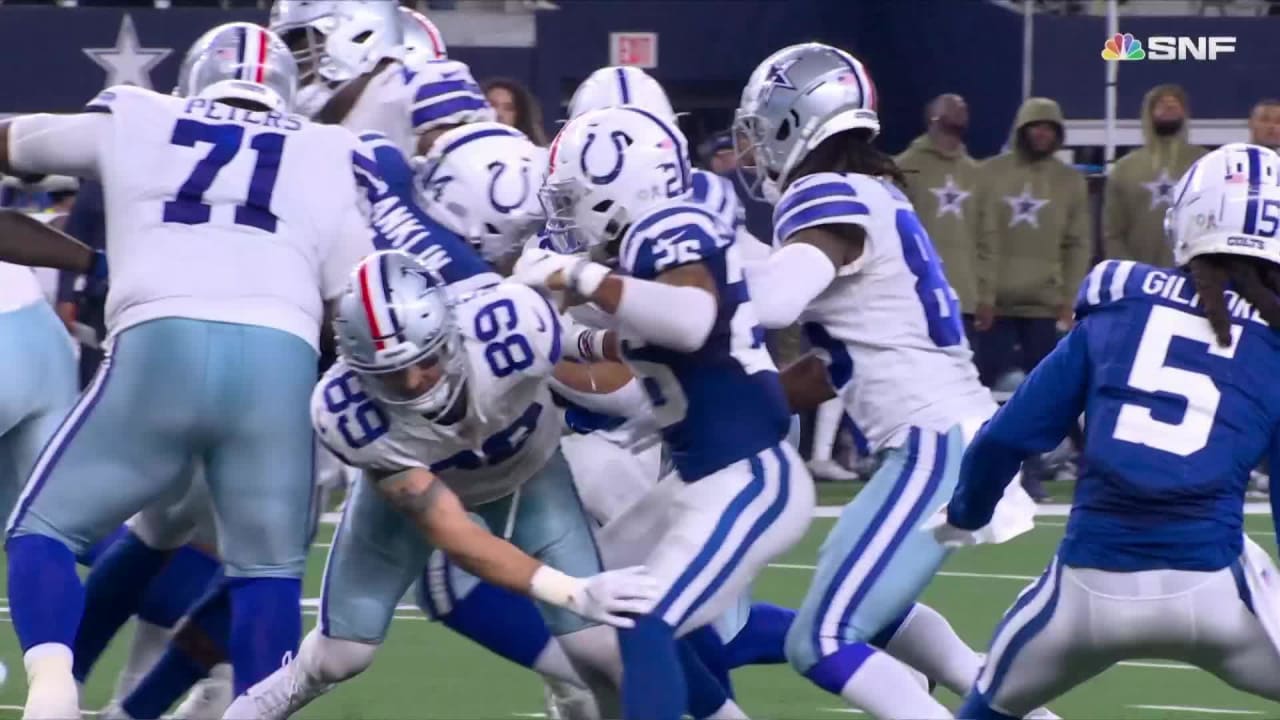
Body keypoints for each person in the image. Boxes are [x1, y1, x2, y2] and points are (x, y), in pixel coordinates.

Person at [0, 22, 377, 718]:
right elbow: (353, 303)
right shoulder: (330, 151)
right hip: (279, 359)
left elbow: (13, 141)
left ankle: (53, 692)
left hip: (158, 341)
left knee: (42, 530)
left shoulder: (140, 113)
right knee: (267, 574)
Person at [733, 42, 1044, 719]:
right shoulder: (870, 190)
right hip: (948, 430)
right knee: (874, 614)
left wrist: (689, 273)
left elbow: (776, 301)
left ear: (793, 121)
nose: (753, 148)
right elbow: (838, 363)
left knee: (820, 639)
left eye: (760, 128)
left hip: (932, 438)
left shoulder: (823, 192)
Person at [227, 250, 657, 719]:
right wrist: (571, 591)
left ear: (449, 334)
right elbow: (455, 535)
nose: (412, 382)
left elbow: (572, 342)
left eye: (424, 360)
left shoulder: (514, 324)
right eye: (390, 374)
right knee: (342, 655)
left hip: (531, 476)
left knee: (600, 650)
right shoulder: (349, 415)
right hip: (423, 496)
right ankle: (266, 699)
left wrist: (613, 345)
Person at [938, 142, 1280, 718]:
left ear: (1186, 219)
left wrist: (967, 513)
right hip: (1216, 592)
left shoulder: (1120, 306)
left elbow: (1007, 436)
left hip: (1088, 592)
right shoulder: (1272, 346)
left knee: (985, 709)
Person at [514, 105, 816, 720]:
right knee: (602, 592)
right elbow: (620, 342)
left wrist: (578, 272)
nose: (566, 211)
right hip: (700, 475)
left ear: (615, 183)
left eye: (573, 194)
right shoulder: (639, 250)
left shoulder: (670, 222)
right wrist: (538, 333)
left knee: (645, 616)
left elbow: (689, 319)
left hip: (748, 474)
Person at [972, 97, 1089, 390]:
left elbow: (1077, 244)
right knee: (980, 387)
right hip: (994, 306)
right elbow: (976, 236)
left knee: (1049, 388)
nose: (1042, 133)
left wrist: (1069, 299)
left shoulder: (1071, 181)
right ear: (1021, 129)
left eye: (1049, 128)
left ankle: (1064, 438)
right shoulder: (988, 173)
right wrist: (980, 295)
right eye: (1035, 126)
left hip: (1045, 307)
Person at [895, 93, 981, 347]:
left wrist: (984, 295)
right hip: (914, 294)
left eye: (964, 107)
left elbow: (987, 236)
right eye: (954, 107)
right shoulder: (903, 167)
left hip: (963, 295)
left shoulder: (976, 173)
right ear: (934, 117)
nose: (962, 111)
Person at [1102, 84, 1205, 266]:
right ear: (1149, 113)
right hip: (1138, 279)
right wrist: (1128, 272)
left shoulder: (1204, 163)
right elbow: (1113, 234)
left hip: (1194, 277)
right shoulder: (1124, 168)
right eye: (1162, 104)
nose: (1169, 107)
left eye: (1174, 104)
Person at [484, 77, 549, 146]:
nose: (499, 113)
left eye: (508, 108)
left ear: (519, 117)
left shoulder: (531, 152)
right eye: (491, 105)